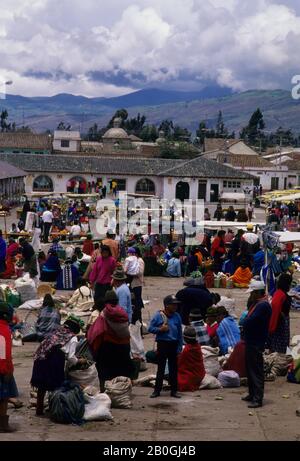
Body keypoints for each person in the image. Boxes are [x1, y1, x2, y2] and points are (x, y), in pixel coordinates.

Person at [31, 317, 84, 416]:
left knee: (42, 386)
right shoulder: (72, 337)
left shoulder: (56, 332)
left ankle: (39, 410)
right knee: (56, 385)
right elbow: (71, 357)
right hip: (53, 361)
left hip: (41, 359)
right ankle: (55, 408)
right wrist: (79, 361)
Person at [87, 290, 134, 392]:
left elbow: (96, 332)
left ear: (106, 301)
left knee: (104, 368)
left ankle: (106, 389)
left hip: (108, 345)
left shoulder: (104, 313)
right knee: (121, 370)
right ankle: (121, 390)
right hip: (124, 345)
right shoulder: (122, 312)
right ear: (116, 301)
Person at [242, 280, 272, 408]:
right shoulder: (258, 304)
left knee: (255, 370)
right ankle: (252, 393)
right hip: (251, 340)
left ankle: (257, 397)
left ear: (257, 293)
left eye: (252, 293)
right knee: (250, 369)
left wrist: (245, 322)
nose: (251, 296)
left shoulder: (263, 305)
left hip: (256, 341)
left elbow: (250, 321)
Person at [148, 295, 183, 398]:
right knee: (161, 368)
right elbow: (150, 328)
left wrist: (179, 347)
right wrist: (160, 330)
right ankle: (157, 391)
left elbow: (180, 333)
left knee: (173, 369)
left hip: (173, 344)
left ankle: (174, 390)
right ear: (167, 305)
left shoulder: (177, 316)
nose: (176, 306)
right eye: (173, 304)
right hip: (163, 344)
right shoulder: (158, 316)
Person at [0, 301, 17, 432]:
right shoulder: (4, 330)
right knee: (3, 398)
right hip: (2, 369)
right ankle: (3, 425)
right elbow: (4, 353)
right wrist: (7, 370)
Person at [267, 273, 292, 354]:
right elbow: (275, 311)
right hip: (280, 324)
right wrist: (272, 327)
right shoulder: (280, 294)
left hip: (283, 322)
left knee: (281, 346)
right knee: (279, 347)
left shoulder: (280, 293)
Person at [177, 326, 206, 392]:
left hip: (191, 376)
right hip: (200, 373)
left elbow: (180, 364)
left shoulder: (186, 350)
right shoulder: (198, 346)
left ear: (185, 338)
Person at [131, 247, 145, 324]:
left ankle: (138, 321)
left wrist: (130, 272)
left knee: (137, 304)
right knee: (134, 303)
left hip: (137, 284)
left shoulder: (140, 261)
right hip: (133, 285)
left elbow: (140, 272)